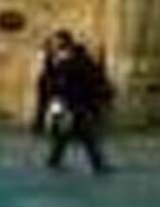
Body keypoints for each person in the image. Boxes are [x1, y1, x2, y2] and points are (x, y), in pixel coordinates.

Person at [45, 37, 114, 173]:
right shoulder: (86, 64)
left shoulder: (66, 64)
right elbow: (96, 82)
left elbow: (54, 79)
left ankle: (54, 160)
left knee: (66, 134)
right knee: (85, 136)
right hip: (80, 105)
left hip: (67, 103)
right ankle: (97, 164)